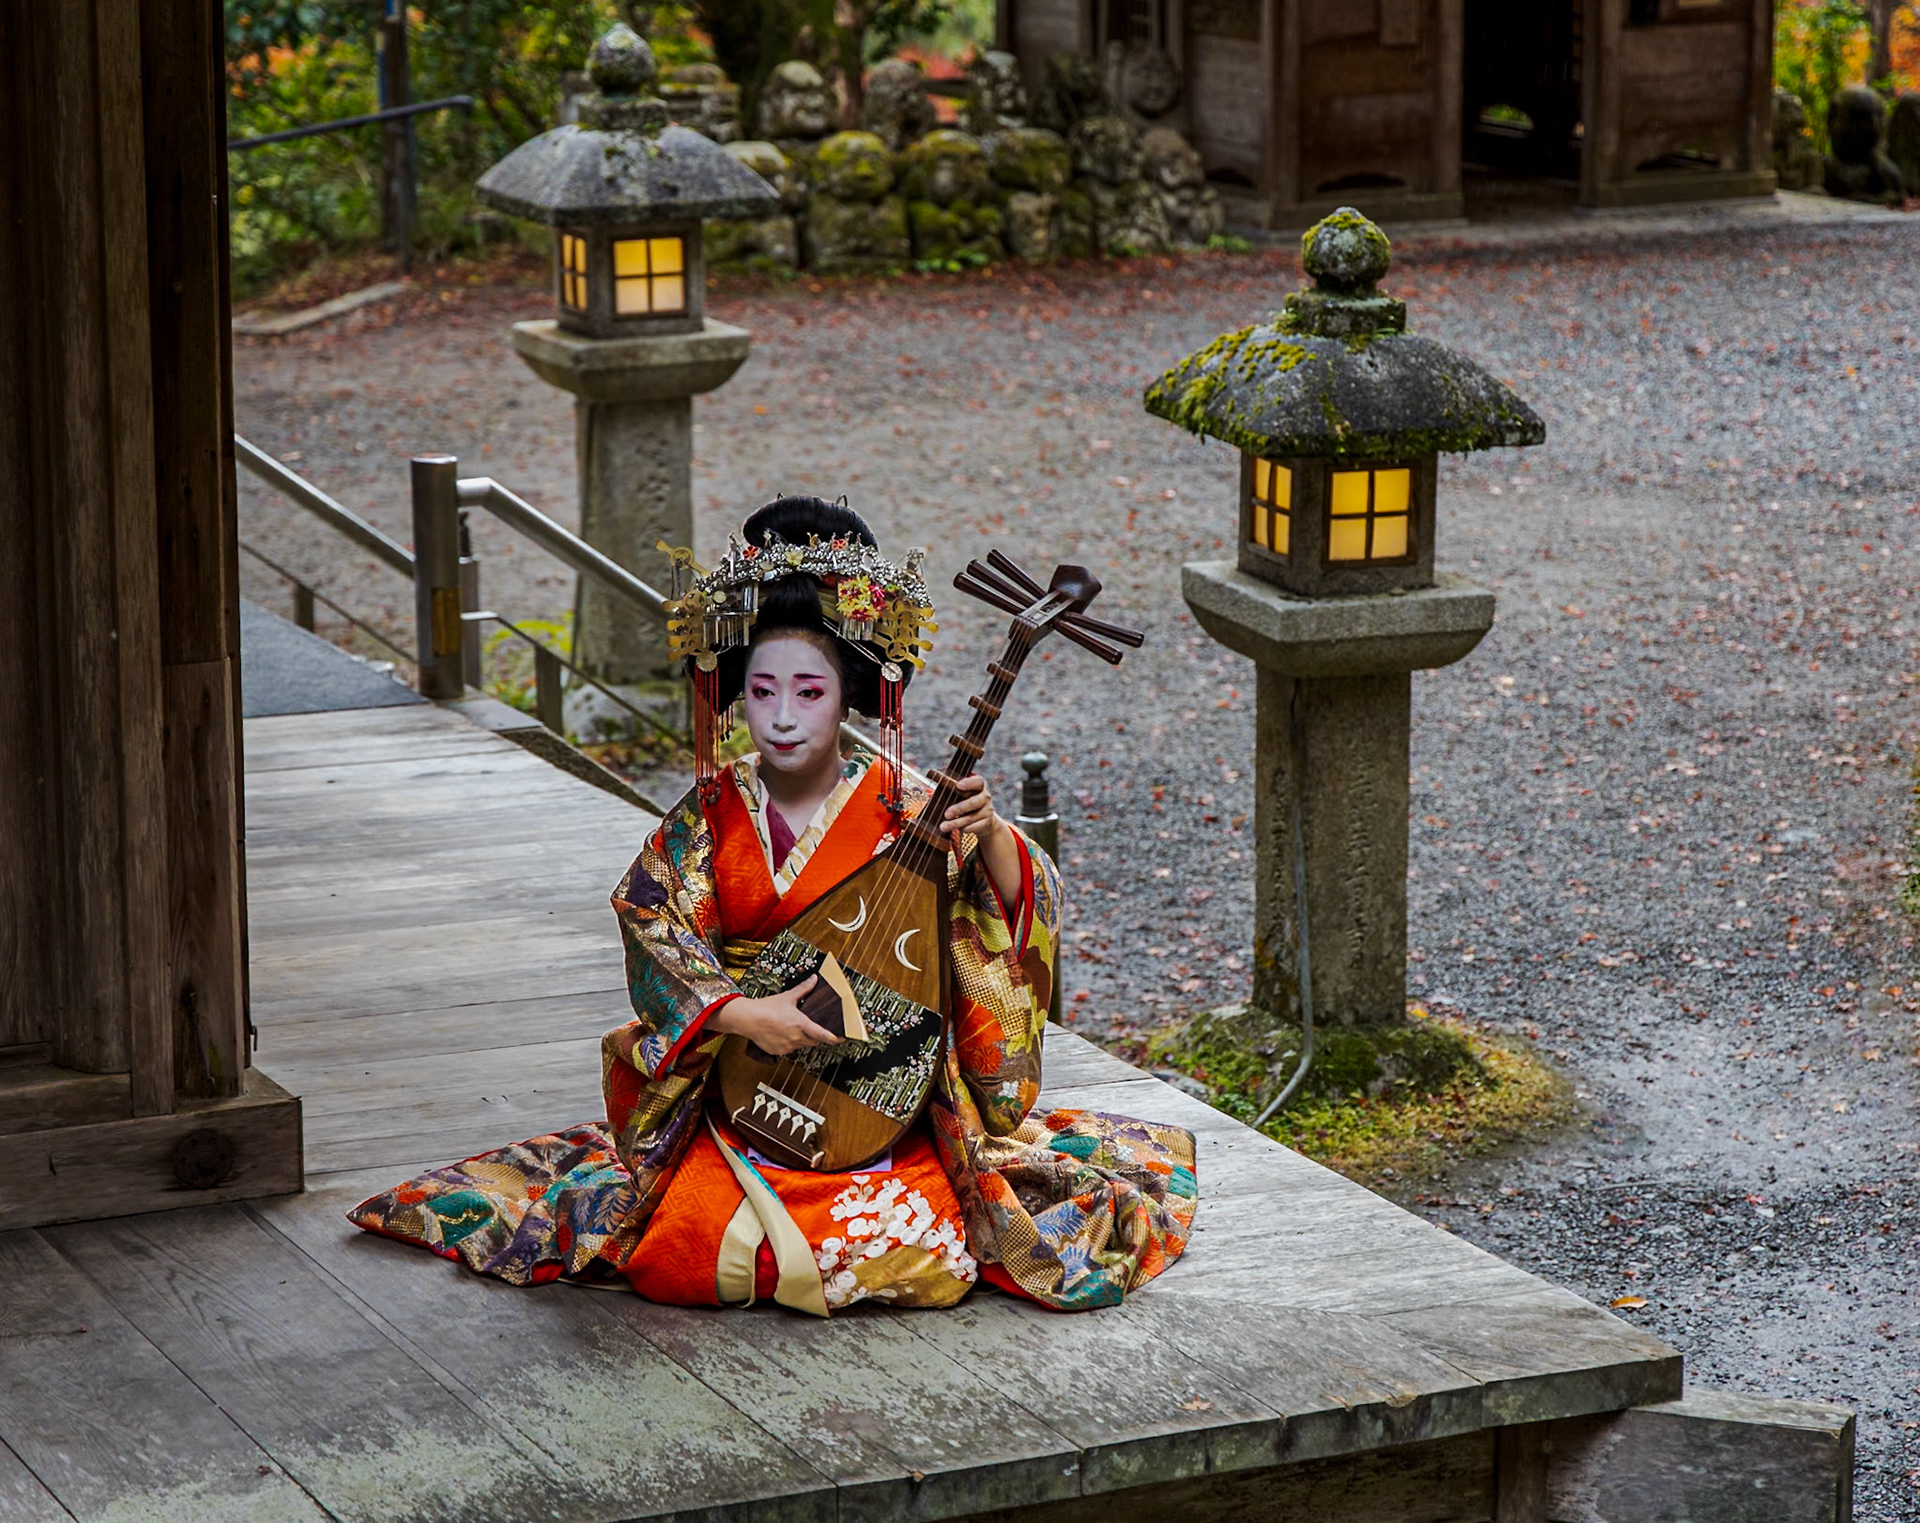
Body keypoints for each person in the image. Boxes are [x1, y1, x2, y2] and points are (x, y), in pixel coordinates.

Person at [350, 496, 1197, 1314]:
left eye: (809, 692)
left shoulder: (911, 808)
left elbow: (1004, 921)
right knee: (684, 1248)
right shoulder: (715, 814)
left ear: (852, 694)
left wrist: (998, 842)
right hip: (738, 1085)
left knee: (916, 1249)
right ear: (734, 694)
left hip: (875, 1098)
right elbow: (651, 917)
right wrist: (743, 1014)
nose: (783, 719)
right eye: (761, 692)